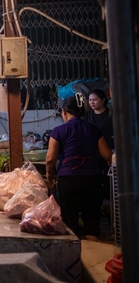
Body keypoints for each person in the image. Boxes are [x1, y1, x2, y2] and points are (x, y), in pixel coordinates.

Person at [45, 95, 113, 241]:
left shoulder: (58, 131)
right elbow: (107, 155)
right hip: (93, 178)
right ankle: (92, 258)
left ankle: (75, 258)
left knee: (70, 219)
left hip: (68, 178)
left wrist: (49, 172)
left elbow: (50, 159)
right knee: (91, 219)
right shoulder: (94, 129)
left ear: (64, 112)